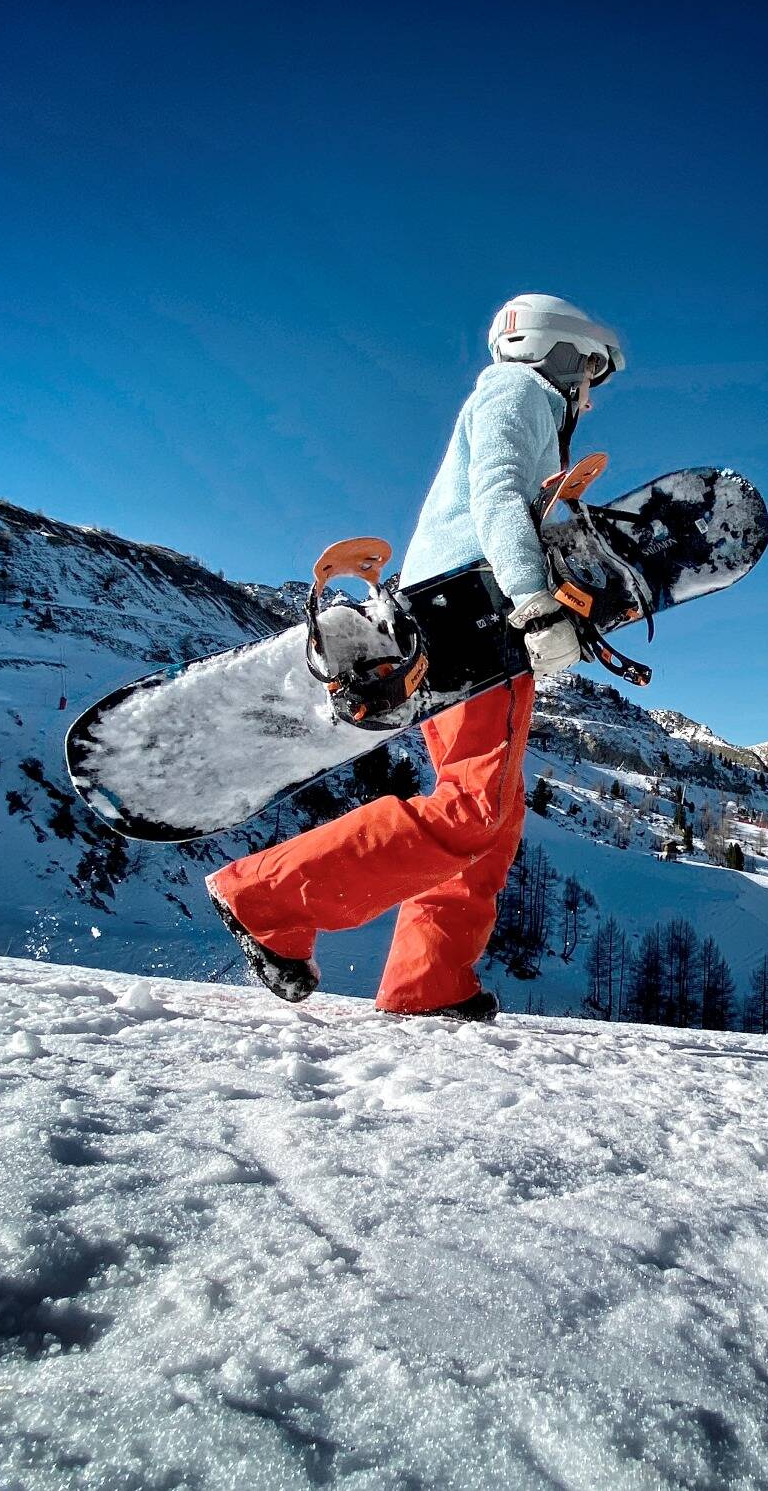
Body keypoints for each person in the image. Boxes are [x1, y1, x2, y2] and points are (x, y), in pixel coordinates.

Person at [206, 294, 623, 1022]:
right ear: (555, 351)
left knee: (492, 815)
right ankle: (263, 897)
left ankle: (429, 978)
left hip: (457, 618)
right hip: (474, 617)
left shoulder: (512, 406)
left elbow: (500, 502)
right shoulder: (518, 392)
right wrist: (532, 598)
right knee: (471, 812)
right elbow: (495, 494)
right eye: (587, 368)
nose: (587, 390)